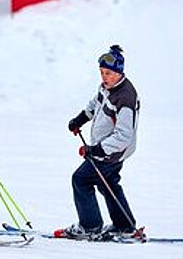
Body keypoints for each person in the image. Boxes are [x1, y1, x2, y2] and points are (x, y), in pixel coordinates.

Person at [56, 45, 141, 239]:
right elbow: (97, 103)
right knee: (108, 183)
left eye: (109, 73)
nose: (104, 77)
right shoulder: (107, 87)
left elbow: (123, 135)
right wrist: (81, 119)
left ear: (119, 73)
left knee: (81, 179)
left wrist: (96, 150)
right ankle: (124, 225)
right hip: (107, 150)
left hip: (112, 151)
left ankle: (90, 226)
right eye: (102, 72)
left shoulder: (125, 98)